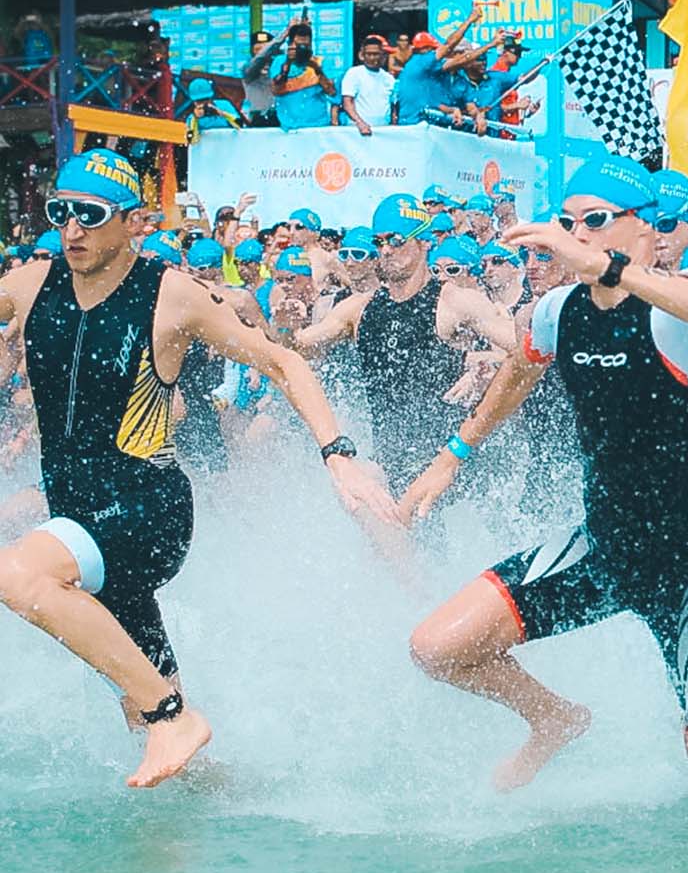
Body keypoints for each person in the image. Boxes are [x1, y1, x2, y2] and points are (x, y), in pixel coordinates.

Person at [0, 149, 395, 789]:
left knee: (17, 574)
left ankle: (173, 718)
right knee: (149, 726)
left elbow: (284, 363)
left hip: (145, 508)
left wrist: (338, 454)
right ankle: (220, 791)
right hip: (75, 513)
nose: (72, 231)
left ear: (132, 222)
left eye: (90, 216)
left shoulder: (171, 296)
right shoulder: (29, 286)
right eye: (60, 212)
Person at [400, 155, 688, 808]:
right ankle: (554, 718)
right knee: (436, 648)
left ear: (646, 231)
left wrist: (611, 269)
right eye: (568, 222)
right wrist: (454, 453)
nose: (577, 235)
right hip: (602, 551)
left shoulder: (681, 314)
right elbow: (519, 370)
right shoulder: (559, 311)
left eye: (596, 220)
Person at [293, 193, 515, 491]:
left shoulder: (454, 302)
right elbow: (303, 348)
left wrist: (488, 366)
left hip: (451, 466)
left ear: (423, 242)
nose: (386, 250)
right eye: (380, 241)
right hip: (392, 463)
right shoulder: (360, 308)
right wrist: (287, 327)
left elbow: (528, 350)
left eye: (396, 240)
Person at [338, 35, 399, 134]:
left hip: (383, 131)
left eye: (376, 54)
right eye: (368, 54)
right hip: (357, 131)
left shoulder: (389, 78)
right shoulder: (354, 73)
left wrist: (393, 126)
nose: (372, 57)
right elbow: (347, 102)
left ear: (382, 55)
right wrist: (360, 123)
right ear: (362, 55)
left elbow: (393, 107)